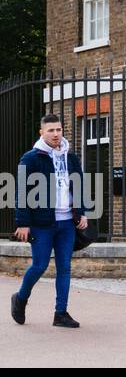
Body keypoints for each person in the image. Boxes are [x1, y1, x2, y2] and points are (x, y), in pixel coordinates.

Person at [11, 113, 89, 329]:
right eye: (51, 130)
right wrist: (22, 223)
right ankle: (20, 298)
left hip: (66, 223)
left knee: (64, 267)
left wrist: (81, 212)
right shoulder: (31, 158)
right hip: (42, 223)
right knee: (40, 265)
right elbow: (21, 192)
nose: (56, 134)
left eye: (59, 129)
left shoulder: (71, 157)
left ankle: (60, 313)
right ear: (42, 132)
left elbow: (79, 186)